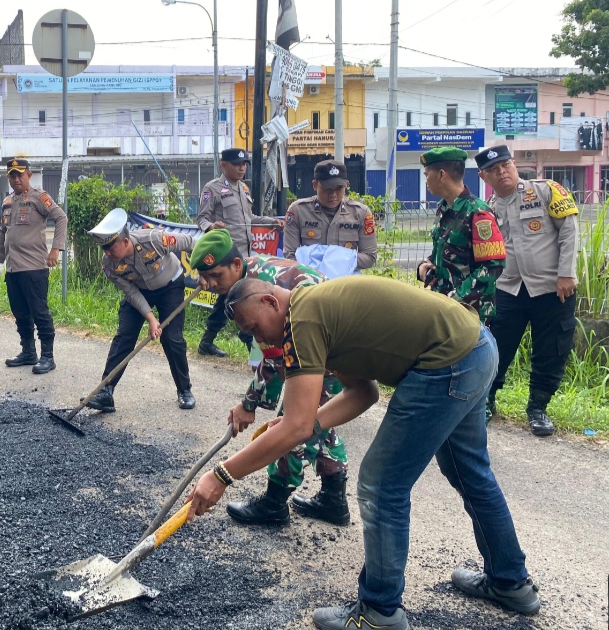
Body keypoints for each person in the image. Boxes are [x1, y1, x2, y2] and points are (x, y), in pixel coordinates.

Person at [185, 275, 541, 630]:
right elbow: (362, 393)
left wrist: (222, 476)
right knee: (468, 471)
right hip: (474, 346)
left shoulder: (302, 320)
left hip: (448, 362)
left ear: (271, 303)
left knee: (382, 485)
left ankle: (379, 611)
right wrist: (310, 422)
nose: (260, 339)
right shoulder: (315, 310)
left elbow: (296, 427)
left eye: (256, 328)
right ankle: (510, 582)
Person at [190, 229, 351, 526]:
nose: (210, 284)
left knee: (293, 422)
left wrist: (249, 405)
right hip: (325, 343)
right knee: (318, 418)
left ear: (237, 265)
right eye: (206, 278)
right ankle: (333, 499)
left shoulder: (264, 289)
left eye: (216, 275)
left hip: (329, 343)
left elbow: (277, 360)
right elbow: (273, 355)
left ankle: (275, 502)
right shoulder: (248, 282)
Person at [476, 145, 580, 436]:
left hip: (552, 287)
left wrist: (566, 274)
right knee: (496, 348)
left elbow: (570, 231)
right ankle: (486, 401)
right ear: (485, 177)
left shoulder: (547, 190)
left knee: (551, 350)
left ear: (513, 165)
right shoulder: (487, 210)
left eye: (505, 165)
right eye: (494, 170)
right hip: (508, 289)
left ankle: (538, 408)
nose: (502, 172)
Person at [86, 208, 197, 411]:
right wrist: (150, 318)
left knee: (172, 338)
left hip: (170, 286)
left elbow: (191, 243)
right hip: (140, 291)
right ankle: (105, 391)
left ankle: (184, 389)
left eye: (110, 248)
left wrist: (206, 272)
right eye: (104, 249)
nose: (107, 253)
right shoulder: (109, 265)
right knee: (124, 336)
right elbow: (131, 293)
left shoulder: (155, 240)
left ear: (126, 241)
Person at [0, 158, 67, 373]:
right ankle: (28, 352)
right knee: (20, 313)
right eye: (12, 176)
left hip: (34, 268)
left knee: (39, 312)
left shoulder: (39, 197)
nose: (15, 179)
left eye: (19, 175)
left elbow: (61, 218)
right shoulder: (7, 202)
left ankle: (48, 357)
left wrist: (55, 249)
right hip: (13, 269)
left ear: (29, 175)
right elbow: (3, 233)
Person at [195, 147, 274, 357]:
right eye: (237, 164)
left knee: (229, 297)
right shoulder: (212, 188)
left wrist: (270, 223)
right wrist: (212, 226)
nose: (242, 168)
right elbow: (201, 218)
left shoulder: (244, 189)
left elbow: (250, 220)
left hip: (245, 256)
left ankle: (208, 341)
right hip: (226, 256)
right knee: (239, 296)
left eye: (244, 164)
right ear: (224, 165)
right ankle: (250, 341)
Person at [416, 147, 505, 324]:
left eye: (427, 175)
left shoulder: (478, 212)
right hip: (445, 309)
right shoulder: (445, 208)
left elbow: (492, 266)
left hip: (469, 314)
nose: (425, 180)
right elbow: (446, 252)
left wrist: (454, 299)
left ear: (442, 175)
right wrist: (426, 264)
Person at [284, 159, 378, 273]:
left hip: (345, 283)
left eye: (339, 188)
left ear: (346, 185)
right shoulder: (298, 211)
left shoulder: (361, 213)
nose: (333, 194)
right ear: (315, 185)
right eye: (327, 188)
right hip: (311, 280)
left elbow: (370, 257)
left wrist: (335, 259)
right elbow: (290, 256)